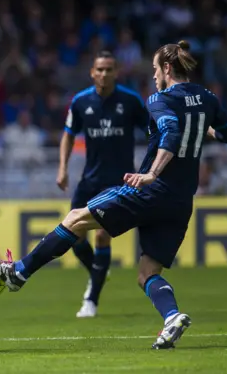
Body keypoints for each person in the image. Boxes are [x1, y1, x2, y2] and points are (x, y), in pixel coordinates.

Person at [0, 41, 227, 349]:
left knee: (76, 217)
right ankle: (172, 317)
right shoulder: (207, 98)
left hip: (152, 191)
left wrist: (152, 173)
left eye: (157, 69)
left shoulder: (159, 99)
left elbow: (171, 132)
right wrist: (202, 128)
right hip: (181, 201)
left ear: (167, 69)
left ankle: (18, 274)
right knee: (147, 274)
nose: (155, 74)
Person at [58, 51, 148, 318]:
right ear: (92, 72)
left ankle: (91, 300)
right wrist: (62, 167)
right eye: (100, 69)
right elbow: (68, 135)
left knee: (101, 235)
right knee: (73, 237)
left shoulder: (130, 101)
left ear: (116, 72)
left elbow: (152, 133)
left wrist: (149, 170)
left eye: (109, 69)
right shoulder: (80, 101)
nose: (105, 74)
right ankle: (98, 271)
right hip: (89, 180)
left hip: (118, 183)